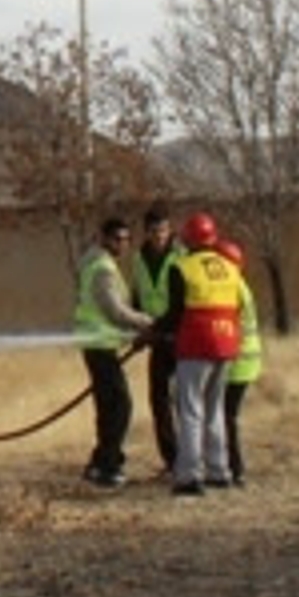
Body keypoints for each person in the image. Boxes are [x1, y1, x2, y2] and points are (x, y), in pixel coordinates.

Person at [153, 211, 243, 497]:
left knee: (190, 409)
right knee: (214, 408)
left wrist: (154, 331)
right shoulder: (230, 267)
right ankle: (220, 471)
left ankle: (189, 476)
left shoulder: (182, 268)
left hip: (196, 344)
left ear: (187, 240)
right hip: (227, 342)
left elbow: (176, 313)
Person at [73, 217, 152, 488]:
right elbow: (113, 310)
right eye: (117, 239)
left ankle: (100, 463)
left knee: (109, 408)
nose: (122, 244)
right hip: (100, 346)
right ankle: (109, 466)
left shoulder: (96, 263)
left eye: (126, 239)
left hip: (100, 345)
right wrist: (146, 323)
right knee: (120, 407)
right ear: (104, 239)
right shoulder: (103, 268)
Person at [132, 203, 184, 475]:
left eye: (162, 230)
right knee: (159, 399)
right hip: (156, 337)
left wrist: (163, 328)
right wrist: (140, 328)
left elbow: (182, 301)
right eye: (153, 231)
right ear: (146, 232)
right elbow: (138, 295)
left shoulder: (181, 256)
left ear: (170, 229)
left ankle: (191, 456)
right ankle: (171, 459)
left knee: (185, 399)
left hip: (180, 335)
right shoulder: (139, 259)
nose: (158, 236)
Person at [215, 239, 262, 488]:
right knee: (225, 414)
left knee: (225, 415)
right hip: (246, 360)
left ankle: (234, 468)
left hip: (237, 361)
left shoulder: (231, 288)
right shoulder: (240, 285)